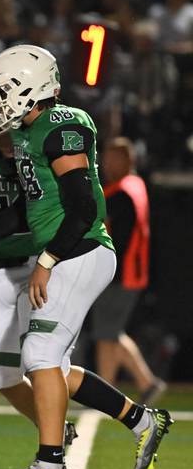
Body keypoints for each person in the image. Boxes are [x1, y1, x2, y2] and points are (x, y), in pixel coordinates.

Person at [0, 45, 173, 469]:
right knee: (51, 366)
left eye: (1, 93)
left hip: (79, 250)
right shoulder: (29, 131)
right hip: (66, 251)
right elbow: (31, 208)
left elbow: (83, 209)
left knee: (39, 354)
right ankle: (142, 421)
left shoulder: (60, 124)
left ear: (29, 89)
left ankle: (49, 463)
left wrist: (46, 261)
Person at [92, 137, 165, 404]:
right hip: (133, 271)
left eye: (113, 159)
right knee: (112, 332)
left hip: (120, 272)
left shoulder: (122, 192)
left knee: (105, 334)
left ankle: (104, 393)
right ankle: (147, 382)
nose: (107, 164)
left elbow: (113, 236)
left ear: (127, 160)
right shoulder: (136, 186)